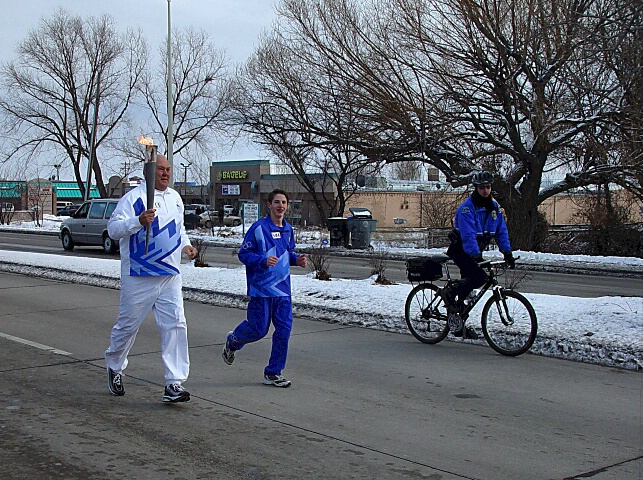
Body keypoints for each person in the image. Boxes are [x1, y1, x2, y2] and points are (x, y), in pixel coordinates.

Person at [105, 155, 198, 403]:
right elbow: (113, 230)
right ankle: (115, 365)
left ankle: (173, 383)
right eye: (161, 170)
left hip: (169, 274)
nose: (165, 174)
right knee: (128, 327)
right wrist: (138, 221)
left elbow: (179, 230)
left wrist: (186, 247)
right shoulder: (133, 198)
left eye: (168, 170)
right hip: (139, 275)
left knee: (176, 325)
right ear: (149, 172)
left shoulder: (175, 198)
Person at [222, 189, 307, 387]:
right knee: (258, 330)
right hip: (262, 290)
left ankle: (273, 372)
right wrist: (262, 260)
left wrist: (297, 259)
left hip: (283, 290)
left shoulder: (288, 230)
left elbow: (288, 253)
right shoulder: (259, 228)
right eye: (277, 202)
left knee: (284, 331)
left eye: (284, 202)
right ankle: (233, 341)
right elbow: (244, 254)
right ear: (269, 205)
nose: (281, 206)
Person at [444, 171, 515, 337]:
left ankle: (458, 324)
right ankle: (449, 294)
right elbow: (468, 235)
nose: (485, 190)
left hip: (476, 250)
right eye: (482, 187)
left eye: (488, 187)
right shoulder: (467, 209)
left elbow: (501, 232)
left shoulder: (494, 208)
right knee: (478, 278)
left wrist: (507, 252)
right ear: (476, 188)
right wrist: (476, 255)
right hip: (462, 250)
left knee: (468, 286)